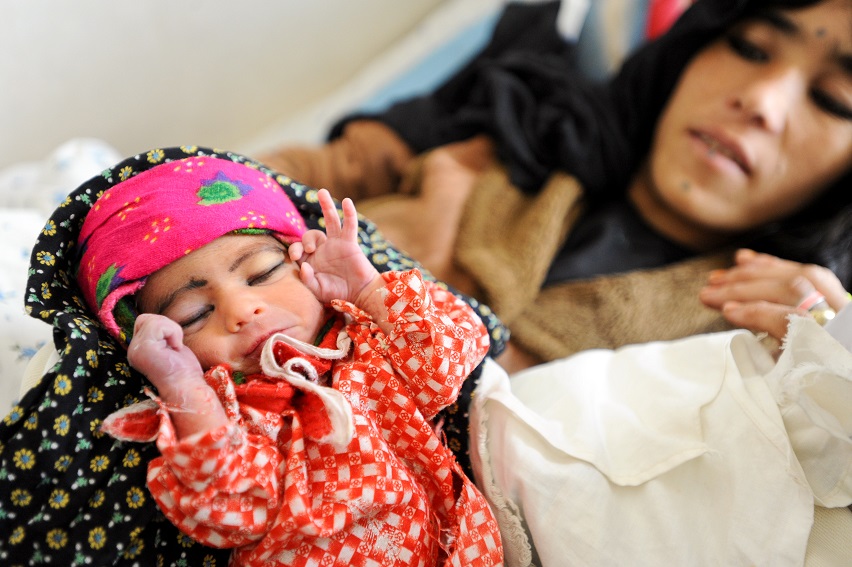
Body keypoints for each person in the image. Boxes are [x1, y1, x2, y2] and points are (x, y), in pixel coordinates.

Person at [258, 0, 852, 374]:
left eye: (833, 101)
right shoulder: (517, 106)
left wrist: (828, 362)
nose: (762, 101)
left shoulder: (777, 341)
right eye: (749, 48)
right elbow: (271, 177)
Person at [0, 147, 507, 567]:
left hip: (465, 548)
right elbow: (231, 505)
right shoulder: (233, 415)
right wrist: (182, 387)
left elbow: (453, 358)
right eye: (195, 314)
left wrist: (368, 286)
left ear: (302, 263)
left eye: (262, 273)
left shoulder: (368, 347)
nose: (242, 310)